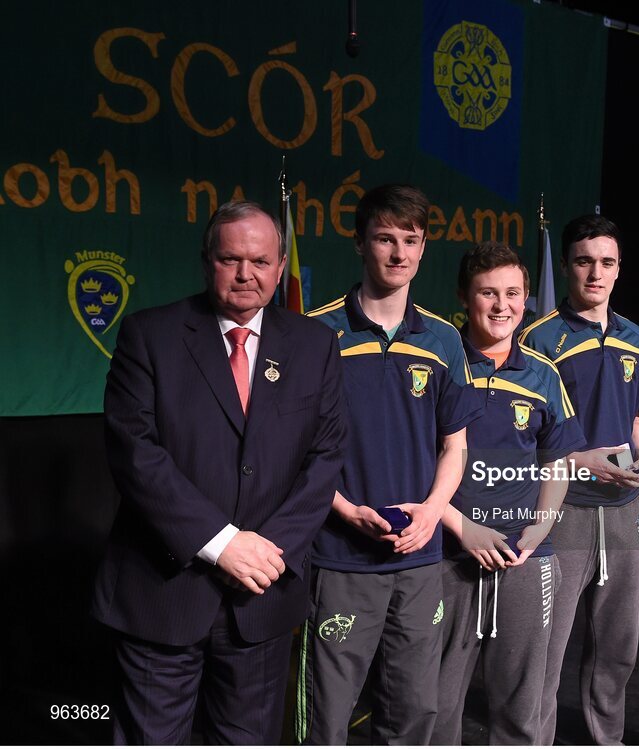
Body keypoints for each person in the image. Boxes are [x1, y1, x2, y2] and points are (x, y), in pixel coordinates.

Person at [93, 201, 346, 744]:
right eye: (230, 259)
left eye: (259, 261)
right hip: (164, 595)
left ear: (281, 267)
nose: (245, 274)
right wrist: (220, 543)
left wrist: (265, 553)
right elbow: (134, 453)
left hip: (262, 598)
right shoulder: (149, 336)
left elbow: (324, 459)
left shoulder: (315, 345)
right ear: (207, 261)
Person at [297, 184, 481, 745]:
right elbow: (294, 452)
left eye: (411, 240)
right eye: (385, 238)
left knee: (415, 713)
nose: (398, 253)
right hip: (340, 558)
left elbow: (457, 447)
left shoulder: (445, 340)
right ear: (360, 244)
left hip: (419, 560)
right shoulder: (315, 333)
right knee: (325, 718)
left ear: (423, 249)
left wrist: (431, 513)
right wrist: (347, 511)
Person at [430, 242, 585, 745]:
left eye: (513, 293)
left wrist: (539, 530)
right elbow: (414, 463)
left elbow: (557, 461)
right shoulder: (438, 362)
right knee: (435, 704)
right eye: (488, 293)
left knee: (523, 706)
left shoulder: (543, 374)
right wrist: (459, 525)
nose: (502, 306)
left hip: (524, 558)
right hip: (444, 556)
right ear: (463, 297)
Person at [519, 214, 639, 744]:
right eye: (583, 261)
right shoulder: (537, 339)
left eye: (606, 263)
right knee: (545, 647)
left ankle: (607, 740)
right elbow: (522, 436)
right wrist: (581, 461)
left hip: (625, 512)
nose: (595, 273)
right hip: (561, 510)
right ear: (566, 266)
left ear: (619, 269)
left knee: (618, 648)